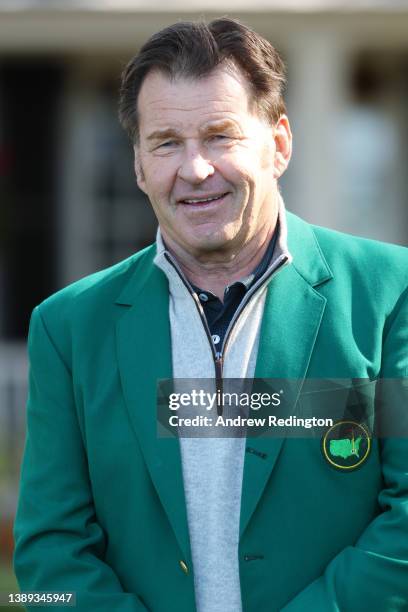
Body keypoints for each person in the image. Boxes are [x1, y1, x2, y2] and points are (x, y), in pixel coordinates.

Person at [13, 17, 408, 612]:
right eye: (167, 142)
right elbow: (48, 563)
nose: (195, 170)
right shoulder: (68, 329)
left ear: (278, 145)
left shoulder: (389, 295)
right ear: (139, 165)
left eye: (220, 136)